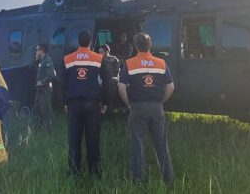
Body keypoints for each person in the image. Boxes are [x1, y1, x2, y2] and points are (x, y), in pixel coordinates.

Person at [118, 33, 174, 185]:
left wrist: (128, 103)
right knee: (161, 144)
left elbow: (121, 87)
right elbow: (170, 86)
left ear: (136, 46)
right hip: (156, 107)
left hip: (137, 107)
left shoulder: (129, 63)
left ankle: (138, 180)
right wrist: (161, 101)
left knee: (138, 143)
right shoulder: (161, 63)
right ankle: (168, 179)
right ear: (150, 45)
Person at [63, 30, 109, 177]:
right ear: (90, 42)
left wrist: (65, 102)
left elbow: (64, 83)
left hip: (74, 104)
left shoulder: (68, 59)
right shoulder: (99, 58)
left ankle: (74, 173)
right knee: (93, 139)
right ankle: (94, 172)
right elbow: (106, 82)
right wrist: (106, 102)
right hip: (92, 103)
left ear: (78, 41)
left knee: (74, 139)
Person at [33, 43, 56, 131]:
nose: (36, 51)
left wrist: (42, 82)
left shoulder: (47, 60)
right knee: (36, 110)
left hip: (45, 89)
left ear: (42, 50)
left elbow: (51, 75)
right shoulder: (41, 61)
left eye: (37, 49)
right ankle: (37, 129)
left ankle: (49, 130)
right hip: (39, 90)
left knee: (46, 110)